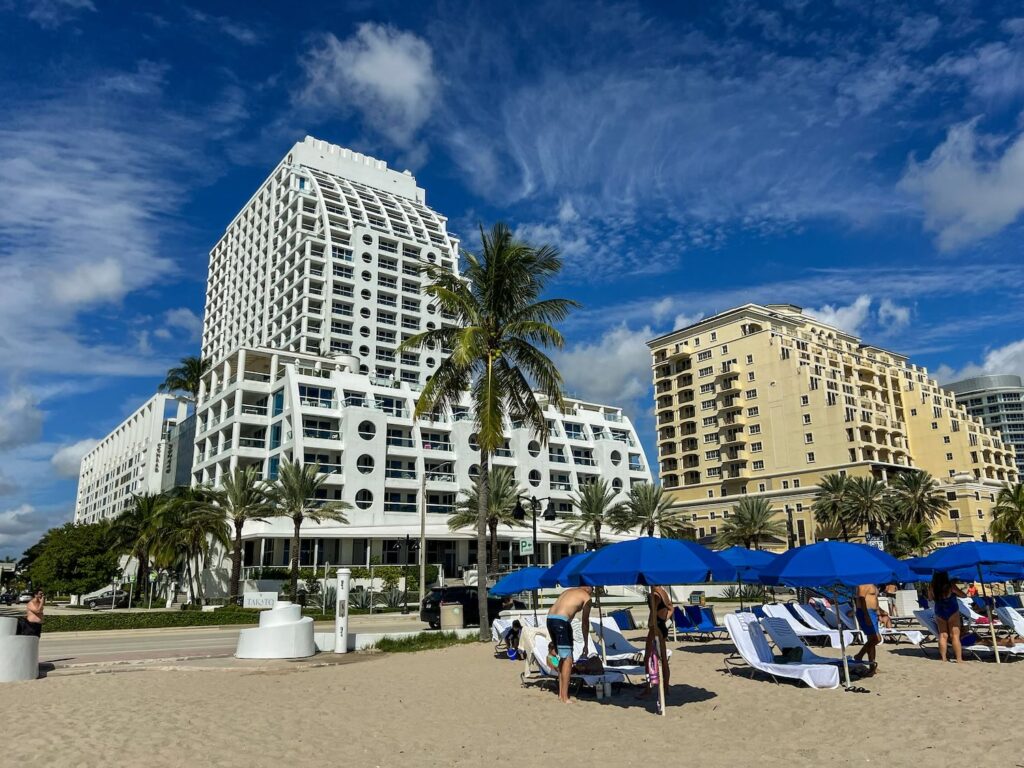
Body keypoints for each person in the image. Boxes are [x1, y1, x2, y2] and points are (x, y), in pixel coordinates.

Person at [546, 585, 592, 703]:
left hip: (550, 619)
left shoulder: (568, 591)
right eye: (593, 589)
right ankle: (565, 697)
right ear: (587, 587)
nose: (593, 593)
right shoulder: (586, 597)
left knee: (563, 657)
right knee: (568, 659)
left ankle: (561, 694)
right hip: (561, 621)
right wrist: (586, 644)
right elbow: (585, 623)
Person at [638, 585, 672, 698]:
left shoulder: (655, 595)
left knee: (648, 658)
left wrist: (651, 624)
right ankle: (666, 689)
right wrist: (664, 620)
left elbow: (653, 612)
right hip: (661, 625)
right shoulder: (663, 592)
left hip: (655, 628)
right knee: (664, 660)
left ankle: (648, 689)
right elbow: (671, 608)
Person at [931, 571, 966, 663]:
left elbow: (930, 598)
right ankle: (959, 659)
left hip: (939, 610)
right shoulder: (950, 586)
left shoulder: (932, 586)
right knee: (955, 636)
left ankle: (943, 658)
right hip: (952, 610)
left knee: (942, 635)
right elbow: (963, 595)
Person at [852, 583, 881, 674]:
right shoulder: (863, 583)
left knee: (872, 640)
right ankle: (859, 655)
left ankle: (872, 667)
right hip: (866, 612)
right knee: (876, 639)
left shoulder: (873, 584)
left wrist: (878, 612)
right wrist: (866, 615)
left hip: (872, 612)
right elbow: (861, 598)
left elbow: (874, 599)